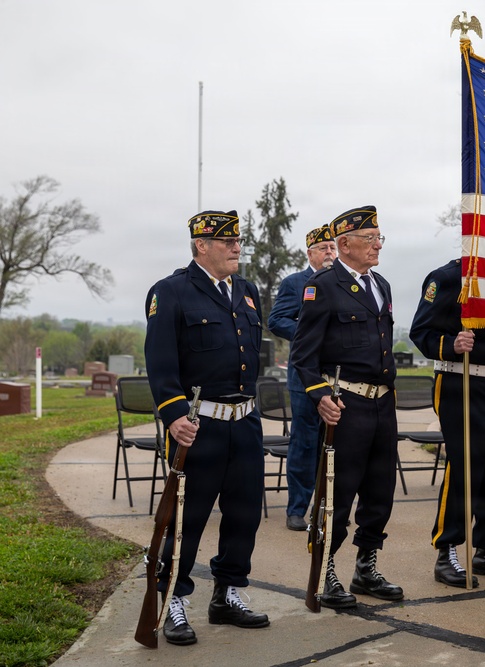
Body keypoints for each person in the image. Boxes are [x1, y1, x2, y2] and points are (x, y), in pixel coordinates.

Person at [143, 209, 270, 646]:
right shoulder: (172, 292)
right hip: (197, 428)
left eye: (238, 240)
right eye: (227, 241)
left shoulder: (247, 292)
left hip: (245, 424)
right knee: (186, 519)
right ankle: (171, 599)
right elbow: (160, 364)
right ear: (201, 245)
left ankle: (228, 594)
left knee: (244, 515)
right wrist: (174, 414)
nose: (238, 247)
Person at [289, 204, 404, 609]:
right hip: (346, 404)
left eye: (378, 238)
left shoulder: (382, 285)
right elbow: (303, 356)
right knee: (339, 494)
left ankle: (366, 566)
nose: (377, 245)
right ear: (344, 244)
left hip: (382, 404)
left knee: (380, 492)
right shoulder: (323, 286)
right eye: (369, 239)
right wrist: (321, 395)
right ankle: (327, 569)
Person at [410, 258, 485, 588]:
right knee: (464, 467)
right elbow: (421, 331)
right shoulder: (446, 278)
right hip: (458, 381)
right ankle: (446, 551)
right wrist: (450, 345)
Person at [266, 225, 337, 531]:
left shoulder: (344, 282)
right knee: (305, 444)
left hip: (339, 376)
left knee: (336, 443)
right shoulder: (296, 283)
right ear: (310, 253)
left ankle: (330, 504)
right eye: (324, 249)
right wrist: (309, 333)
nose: (330, 254)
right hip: (305, 377)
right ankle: (297, 508)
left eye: (333, 248)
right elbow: (276, 320)